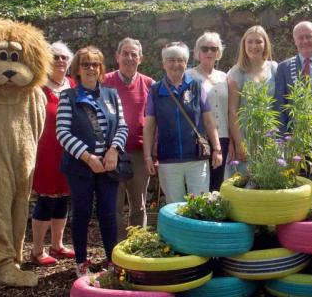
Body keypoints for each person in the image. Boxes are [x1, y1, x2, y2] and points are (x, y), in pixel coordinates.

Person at [57, 46, 127, 276]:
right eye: (85, 64)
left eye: (95, 64)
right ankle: (81, 261)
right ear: (77, 68)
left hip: (108, 167)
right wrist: (87, 157)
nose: (90, 68)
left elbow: (122, 126)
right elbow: (63, 133)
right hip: (80, 168)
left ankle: (111, 259)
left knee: (108, 213)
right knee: (82, 213)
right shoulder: (68, 97)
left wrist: (114, 150)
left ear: (101, 68)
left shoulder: (111, 95)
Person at [144, 42, 223, 204]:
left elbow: (209, 120)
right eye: (171, 60)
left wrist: (217, 149)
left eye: (180, 60)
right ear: (163, 63)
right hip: (168, 160)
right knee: (175, 207)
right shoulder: (155, 90)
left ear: (186, 63)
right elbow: (149, 126)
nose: (176, 64)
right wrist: (147, 157)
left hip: (197, 158)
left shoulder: (197, 86)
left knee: (201, 205)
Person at [28, 41, 75, 266]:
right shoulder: (38, 89)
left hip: (70, 152)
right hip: (46, 152)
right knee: (46, 200)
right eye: (55, 57)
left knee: (63, 199)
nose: (60, 61)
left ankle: (57, 245)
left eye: (64, 57)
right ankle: (37, 250)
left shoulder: (74, 86)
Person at [273, 21, 312, 192]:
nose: (305, 41)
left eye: (309, 36)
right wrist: (284, 139)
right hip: (295, 139)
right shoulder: (284, 67)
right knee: (297, 185)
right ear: (295, 40)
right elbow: (279, 105)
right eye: (301, 37)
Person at [103, 38, 154, 230]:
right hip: (111, 153)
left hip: (139, 152)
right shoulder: (104, 82)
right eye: (125, 53)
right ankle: (114, 249)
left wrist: (153, 154)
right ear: (117, 57)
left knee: (138, 205)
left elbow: (155, 122)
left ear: (140, 59)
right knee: (113, 204)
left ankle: (136, 246)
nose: (129, 58)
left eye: (134, 54)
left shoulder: (149, 84)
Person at [227, 26, 276, 175]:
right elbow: (232, 111)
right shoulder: (237, 72)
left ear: (265, 44)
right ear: (244, 44)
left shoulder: (274, 68)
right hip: (246, 136)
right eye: (250, 42)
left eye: (258, 42)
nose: (254, 46)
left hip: (270, 135)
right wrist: (239, 143)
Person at [186, 32, 230, 191]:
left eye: (213, 48)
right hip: (200, 139)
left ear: (219, 52)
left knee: (219, 185)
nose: (209, 52)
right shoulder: (188, 77)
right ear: (197, 52)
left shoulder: (225, 76)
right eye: (205, 49)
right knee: (201, 185)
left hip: (224, 137)